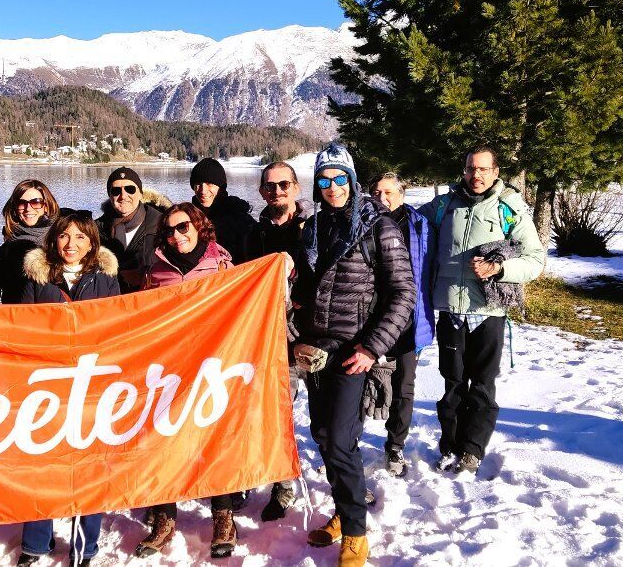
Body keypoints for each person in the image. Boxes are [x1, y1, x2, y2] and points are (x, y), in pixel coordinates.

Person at [291, 143, 416, 567]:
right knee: (324, 437)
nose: (332, 187)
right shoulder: (311, 229)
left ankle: (356, 533)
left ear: (353, 180)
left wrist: (372, 347)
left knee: (341, 441)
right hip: (315, 353)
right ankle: (345, 513)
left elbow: (404, 294)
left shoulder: (378, 227)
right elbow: (303, 295)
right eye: (324, 180)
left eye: (340, 178)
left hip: (354, 352)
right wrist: (295, 336)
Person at [417, 146, 544, 475]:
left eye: (484, 169)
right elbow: (411, 223)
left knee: (483, 386)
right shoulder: (446, 205)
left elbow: (535, 260)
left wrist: (498, 270)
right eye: (472, 168)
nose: (477, 175)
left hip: (489, 312)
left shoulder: (509, 207)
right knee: (453, 384)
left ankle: (472, 450)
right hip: (451, 310)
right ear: (464, 170)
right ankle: (450, 445)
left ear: (496, 172)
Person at [14, 212, 119, 567]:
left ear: (92, 243)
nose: (70, 245)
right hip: (47, 384)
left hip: (92, 385)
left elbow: (121, 329)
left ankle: (84, 546)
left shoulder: (105, 279)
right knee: (43, 464)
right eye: (63, 237)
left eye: (80, 238)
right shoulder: (36, 278)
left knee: (88, 466)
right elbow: (23, 328)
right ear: (53, 240)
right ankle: (35, 543)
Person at [135, 203, 240, 560]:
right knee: (164, 438)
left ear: (199, 226)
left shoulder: (221, 264)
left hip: (211, 365)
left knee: (212, 440)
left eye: (183, 228)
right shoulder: (157, 269)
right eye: (169, 230)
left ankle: (223, 517)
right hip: (169, 369)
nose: (176, 236)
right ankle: (164, 519)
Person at [249, 161, 313, 522]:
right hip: (265, 335)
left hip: (306, 334)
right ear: (261, 192)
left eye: (284, 184)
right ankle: (280, 483)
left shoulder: (313, 229)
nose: (277, 191)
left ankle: (341, 482)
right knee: (275, 413)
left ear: (297, 188)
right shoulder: (253, 233)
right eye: (270, 186)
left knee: (321, 420)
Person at [368, 173, 435, 477]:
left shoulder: (420, 227)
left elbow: (429, 271)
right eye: (377, 192)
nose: (383, 197)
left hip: (408, 320)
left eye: (389, 192)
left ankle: (395, 445)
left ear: (402, 194)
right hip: (370, 319)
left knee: (404, 386)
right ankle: (350, 440)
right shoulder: (363, 224)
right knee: (360, 384)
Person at [95, 167, 171, 293]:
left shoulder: (163, 225)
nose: (123, 196)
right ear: (109, 195)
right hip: (112, 300)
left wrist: (146, 274)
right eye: (116, 191)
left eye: (130, 189)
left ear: (140, 193)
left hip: (150, 299)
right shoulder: (96, 230)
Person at [0, 179, 61, 303]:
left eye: (36, 202)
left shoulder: (59, 239)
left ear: (46, 206)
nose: (28, 208)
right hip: (18, 315)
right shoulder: (7, 248)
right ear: (15, 208)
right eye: (22, 203)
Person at [189, 157, 257, 265]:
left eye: (209, 184)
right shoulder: (187, 218)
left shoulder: (241, 219)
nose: (203, 190)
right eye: (198, 184)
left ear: (222, 187)